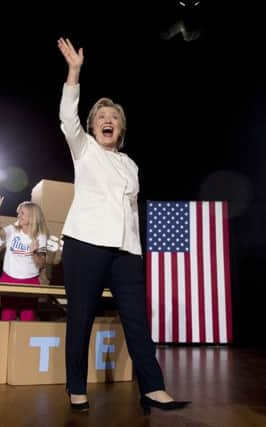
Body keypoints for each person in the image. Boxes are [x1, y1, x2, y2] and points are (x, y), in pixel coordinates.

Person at [57, 37, 190, 414]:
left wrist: (136, 248)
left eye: (113, 117)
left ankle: (153, 387)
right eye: (101, 117)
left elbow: (130, 211)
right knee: (80, 317)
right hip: (85, 243)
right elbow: (68, 116)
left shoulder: (131, 164)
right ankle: (76, 388)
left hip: (128, 251)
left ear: (121, 127)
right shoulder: (84, 150)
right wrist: (75, 72)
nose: (107, 121)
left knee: (136, 320)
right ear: (92, 126)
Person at [0, 197, 49, 321]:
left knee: (28, 319)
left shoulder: (41, 236)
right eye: (18, 213)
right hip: (8, 279)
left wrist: (34, 252)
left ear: (31, 216)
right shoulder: (12, 230)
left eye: (22, 213)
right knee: (7, 317)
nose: (18, 215)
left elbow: (42, 264)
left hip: (30, 282)